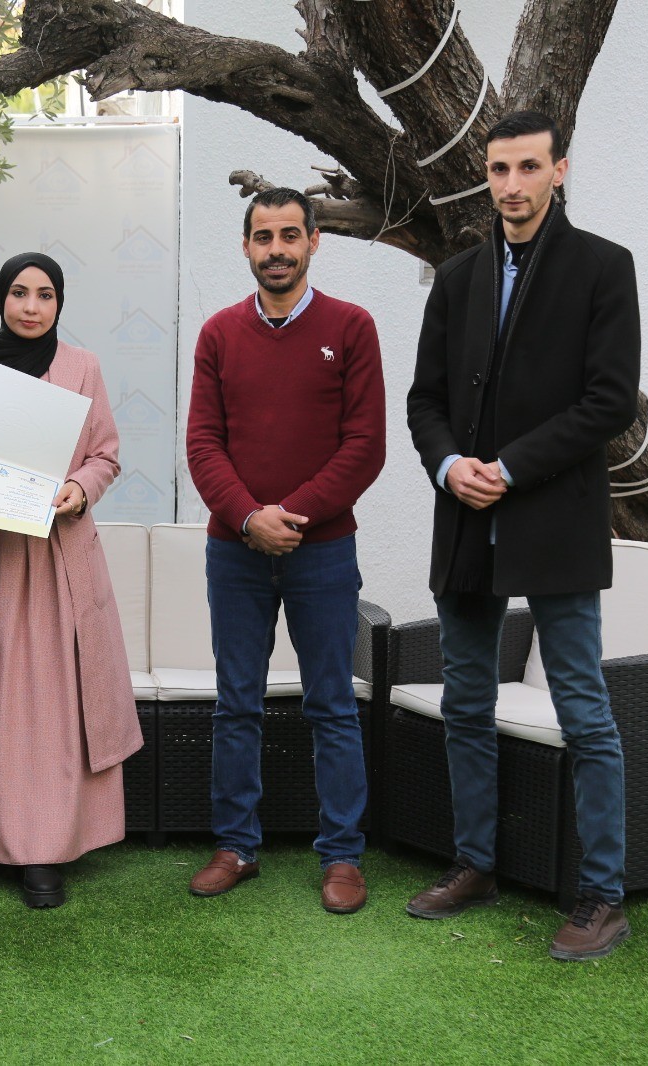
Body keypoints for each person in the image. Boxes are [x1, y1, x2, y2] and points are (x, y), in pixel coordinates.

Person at [405, 110, 641, 961]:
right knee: (466, 703)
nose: (511, 185)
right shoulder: (457, 277)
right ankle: (476, 867)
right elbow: (425, 400)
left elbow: (610, 401)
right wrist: (448, 466)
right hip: (465, 520)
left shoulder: (604, 266)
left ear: (559, 170)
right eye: (499, 169)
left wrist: (507, 468)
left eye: (528, 167)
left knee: (584, 710)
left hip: (555, 522)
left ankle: (602, 897)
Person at [184, 187, 385, 913]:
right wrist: (248, 519)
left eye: (290, 236)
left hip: (322, 552)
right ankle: (236, 846)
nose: (277, 250)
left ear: (313, 241)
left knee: (331, 703)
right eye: (263, 237)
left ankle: (342, 856)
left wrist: (289, 516)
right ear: (245, 246)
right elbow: (202, 444)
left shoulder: (352, 327)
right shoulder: (218, 334)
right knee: (236, 702)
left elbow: (365, 447)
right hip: (234, 552)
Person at [0, 252, 143, 909]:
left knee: (54, 702)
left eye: (45, 295)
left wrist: (79, 487)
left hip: (56, 558)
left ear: (59, 303)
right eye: (19, 292)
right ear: (1, 299)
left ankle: (49, 848)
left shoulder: (82, 367)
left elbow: (105, 454)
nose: (30, 306)